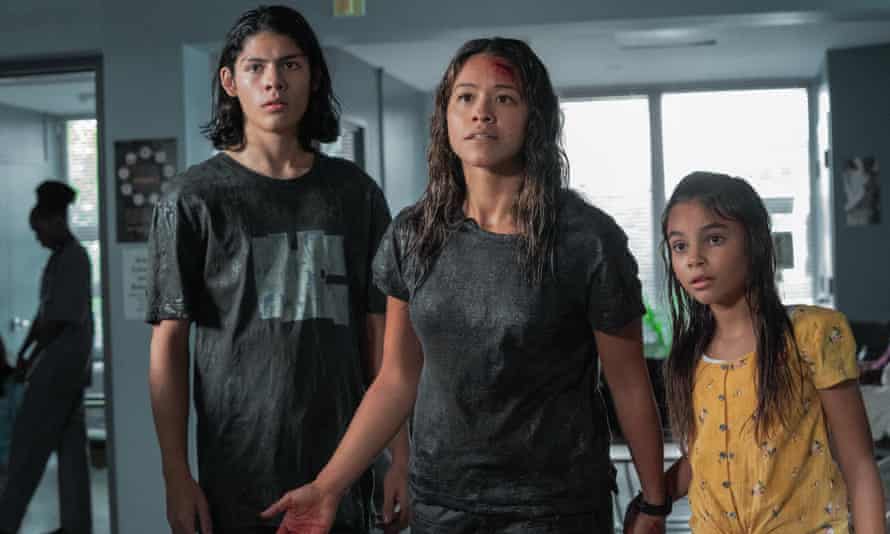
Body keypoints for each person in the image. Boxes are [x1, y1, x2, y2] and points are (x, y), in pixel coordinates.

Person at [261, 37, 668, 534]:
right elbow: (396, 380)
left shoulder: (587, 240)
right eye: (466, 97)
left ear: (535, 118)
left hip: (555, 508)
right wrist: (328, 487)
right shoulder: (413, 236)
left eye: (504, 98)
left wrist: (654, 502)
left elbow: (628, 384)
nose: (482, 113)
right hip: (442, 505)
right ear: (446, 117)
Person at [146, 6, 408, 534]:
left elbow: (381, 338)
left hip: (343, 468)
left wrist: (401, 456)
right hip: (236, 472)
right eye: (256, 67)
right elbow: (169, 344)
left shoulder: (354, 193)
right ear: (230, 81)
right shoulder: (191, 198)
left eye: (290, 65)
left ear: (313, 76)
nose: (274, 82)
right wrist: (175, 472)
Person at [627, 171, 887, 533]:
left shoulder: (812, 334)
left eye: (714, 239)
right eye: (680, 246)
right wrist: (653, 503)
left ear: (755, 242)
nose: (694, 259)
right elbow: (705, 457)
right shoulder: (690, 356)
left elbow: (859, 465)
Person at [0, 181, 93, 534]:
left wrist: (31, 359)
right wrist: (24, 353)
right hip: (64, 371)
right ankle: (76, 526)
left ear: (55, 221)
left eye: (39, 230)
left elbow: (56, 322)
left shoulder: (74, 258)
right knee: (71, 453)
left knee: (27, 451)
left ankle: (6, 523)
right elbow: (42, 317)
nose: (38, 238)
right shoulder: (59, 259)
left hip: (60, 373)